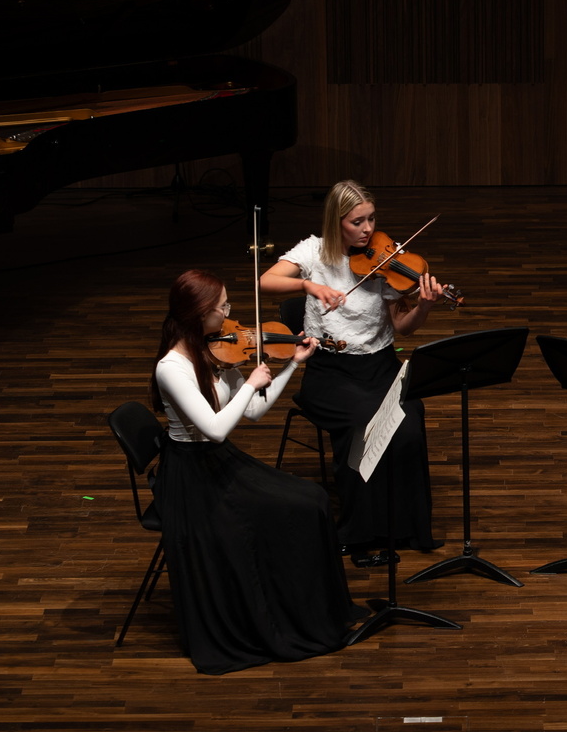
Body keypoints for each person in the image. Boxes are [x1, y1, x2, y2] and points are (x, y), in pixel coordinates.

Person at [149, 269, 365, 675]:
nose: (231, 315)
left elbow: (253, 412)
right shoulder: (172, 368)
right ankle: (282, 616)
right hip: (192, 476)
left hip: (218, 461)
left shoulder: (215, 348)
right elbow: (213, 430)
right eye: (222, 307)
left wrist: (289, 368)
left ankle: (314, 612)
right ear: (198, 314)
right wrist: (250, 383)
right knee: (292, 511)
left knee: (313, 498)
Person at [259, 180, 445, 558]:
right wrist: (310, 287)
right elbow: (266, 281)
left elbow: (401, 327)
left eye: (372, 219)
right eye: (357, 222)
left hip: (380, 365)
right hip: (329, 371)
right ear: (336, 222)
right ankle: (361, 532)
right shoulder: (313, 251)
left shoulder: (387, 260)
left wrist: (423, 306)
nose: (368, 230)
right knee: (365, 426)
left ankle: (406, 528)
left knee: (408, 421)